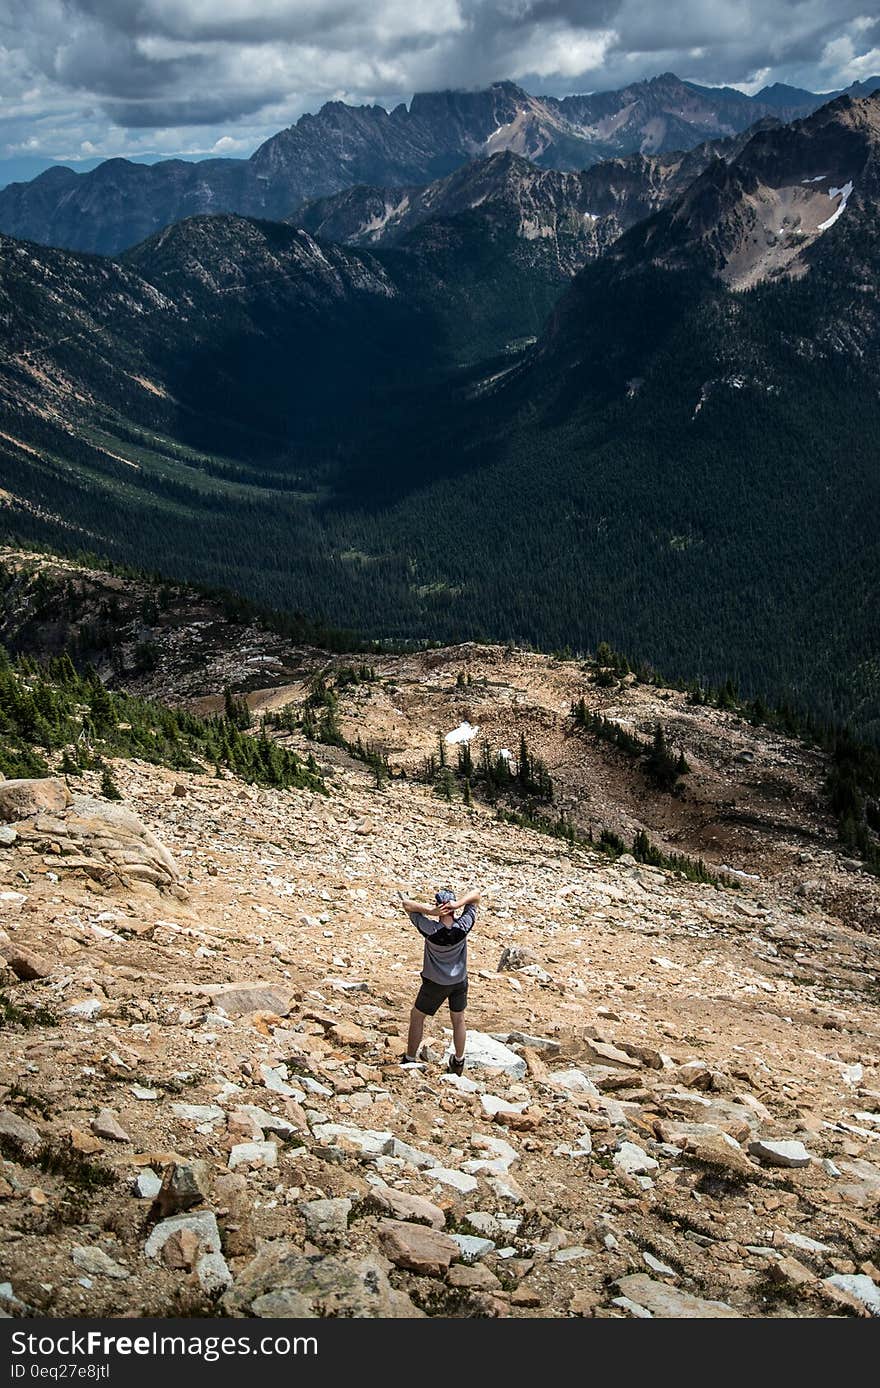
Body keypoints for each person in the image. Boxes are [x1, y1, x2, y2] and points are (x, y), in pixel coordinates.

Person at [393, 886, 481, 1073]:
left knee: (417, 1016)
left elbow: (407, 905)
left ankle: (409, 1058)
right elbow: (475, 895)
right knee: (458, 1019)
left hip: (435, 983)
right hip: (459, 981)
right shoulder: (463, 926)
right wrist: (458, 904)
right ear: (453, 908)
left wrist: (429, 911)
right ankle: (458, 1061)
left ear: (438, 906)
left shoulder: (430, 929)